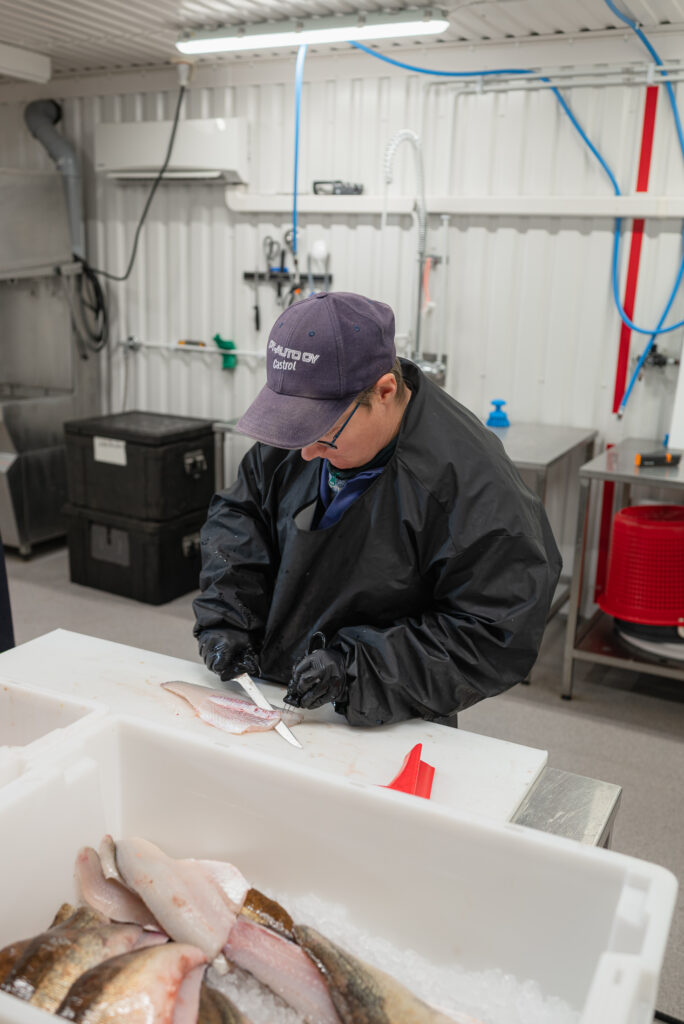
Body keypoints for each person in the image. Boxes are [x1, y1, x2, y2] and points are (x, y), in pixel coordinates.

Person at [193, 291, 561, 727]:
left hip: (385, 707)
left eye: (325, 436)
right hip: (273, 684)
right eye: (296, 432)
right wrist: (229, 614)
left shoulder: (476, 489)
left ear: (385, 391)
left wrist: (356, 670)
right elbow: (241, 513)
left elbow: (493, 631)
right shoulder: (312, 428)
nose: (306, 454)